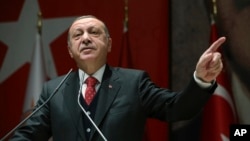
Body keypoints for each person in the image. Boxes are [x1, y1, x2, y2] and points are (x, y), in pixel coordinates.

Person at [10, 15, 225, 141]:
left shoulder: (134, 83)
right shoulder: (53, 90)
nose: (85, 39)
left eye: (94, 32)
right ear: (70, 50)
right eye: (78, 35)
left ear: (109, 44)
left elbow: (178, 108)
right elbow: (28, 136)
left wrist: (200, 79)